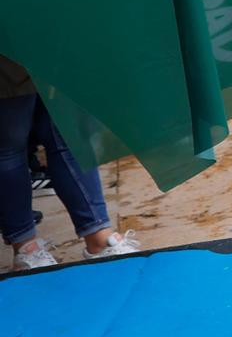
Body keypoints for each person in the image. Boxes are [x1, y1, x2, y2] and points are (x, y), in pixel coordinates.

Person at [2, 55, 139, 270]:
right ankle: (25, 246)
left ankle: (98, 235)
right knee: (10, 139)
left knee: (69, 132)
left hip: (48, 36)